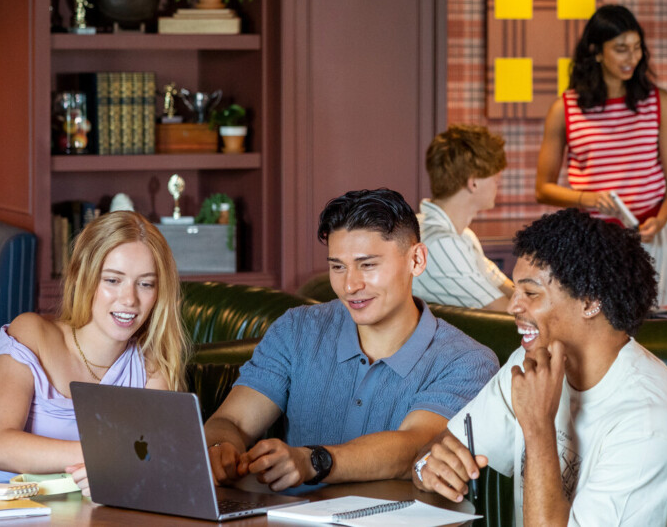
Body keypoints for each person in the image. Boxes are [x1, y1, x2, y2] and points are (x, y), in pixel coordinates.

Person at [413, 209, 667, 527]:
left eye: (530, 293)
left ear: (589, 301)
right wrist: (427, 469)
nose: (512, 306)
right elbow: (442, 448)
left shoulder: (651, 432)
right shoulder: (532, 362)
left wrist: (537, 426)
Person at [203, 188, 498, 491]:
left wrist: (312, 461)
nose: (350, 285)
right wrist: (218, 447)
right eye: (337, 266)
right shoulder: (297, 329)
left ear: (417, 260)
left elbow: (414, 447)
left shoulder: (466, 360)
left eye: (367, 265)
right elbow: (233, 422)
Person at [0, 210, 190, 493]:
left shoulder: (152, 368)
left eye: (145, 284)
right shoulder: (31, 334)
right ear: (81, 276)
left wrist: (123, 473)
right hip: (2, 514)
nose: (129, 299)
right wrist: (112, 460)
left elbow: (163, 464)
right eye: (113, 280)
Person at [534, 4, 667, 306]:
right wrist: (587, 199)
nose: (632, 58)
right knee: (595, 330)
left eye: (636, 48)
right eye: (621, 49)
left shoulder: (659, 103)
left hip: (652, 238)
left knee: (657, 327)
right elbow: (543, 189)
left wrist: (660, 220)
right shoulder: (565, 109)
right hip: (593, 242)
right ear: (596, 51)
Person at [414, 124, 515, 310]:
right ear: (473, 183)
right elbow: (505, 314)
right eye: (496, 179)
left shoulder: (462, 235)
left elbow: (510, 291)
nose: (497, 185)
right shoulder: (441, 242)